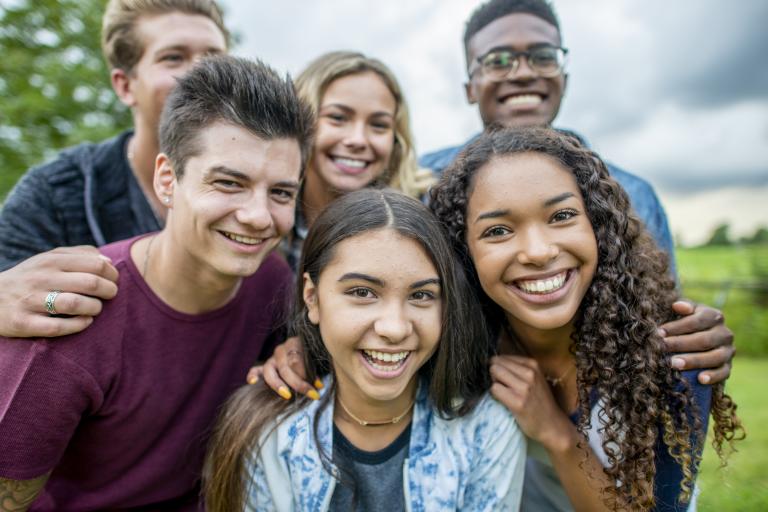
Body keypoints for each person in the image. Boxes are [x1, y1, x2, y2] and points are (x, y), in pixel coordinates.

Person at [0, 55, 313, 510]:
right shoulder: (72, 316)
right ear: (168, 180)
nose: (259, 217)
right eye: (228, 183)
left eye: (281, 192)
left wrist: (294, 355)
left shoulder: (271, 282)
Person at [417, 0, 734, 385]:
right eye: (497, 61)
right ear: (470, 86)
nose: (522, 72)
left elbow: (653, 316)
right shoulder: (424, 182)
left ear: (564, 75)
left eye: (542, 56)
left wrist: (694, 340)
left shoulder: (631, 193)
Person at [429, 126, 743, 510]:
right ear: (464, 252)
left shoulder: (668, 357)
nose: (539, 252)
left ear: (597, 226)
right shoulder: (466, 347)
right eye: (498, 230)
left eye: (561, 215)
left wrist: (556, 432)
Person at [203, 188, 526, 511]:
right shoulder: (268, 432)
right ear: (312, 297)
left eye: (421, 295)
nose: (395, 328)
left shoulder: (486, 432)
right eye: (362, 292)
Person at [0, 0, 229, 338]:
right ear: (124, 85)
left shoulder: (268, 194)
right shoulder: (57, 195)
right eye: (173, 57)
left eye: (214, 57)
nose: (201, 74)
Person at [283, 50, 434, 270]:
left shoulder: (430, 217)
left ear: (396, 139)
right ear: (300, 121)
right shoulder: (265, 215)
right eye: (337, 118)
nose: (358, 140)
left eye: (379, 125)